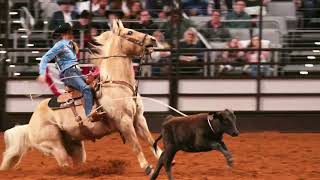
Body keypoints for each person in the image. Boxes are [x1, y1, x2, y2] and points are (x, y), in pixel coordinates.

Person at [38, 23, 94, 118]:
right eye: (69, 32)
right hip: (68, 73)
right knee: (86, 89)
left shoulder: (71, 45)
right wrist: (42, 73)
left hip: (75, 72)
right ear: (64, 34)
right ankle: (89, 114)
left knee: (93, 86)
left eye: (71, 32)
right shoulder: (60, 45)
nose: (71, 34)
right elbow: (45, 58)